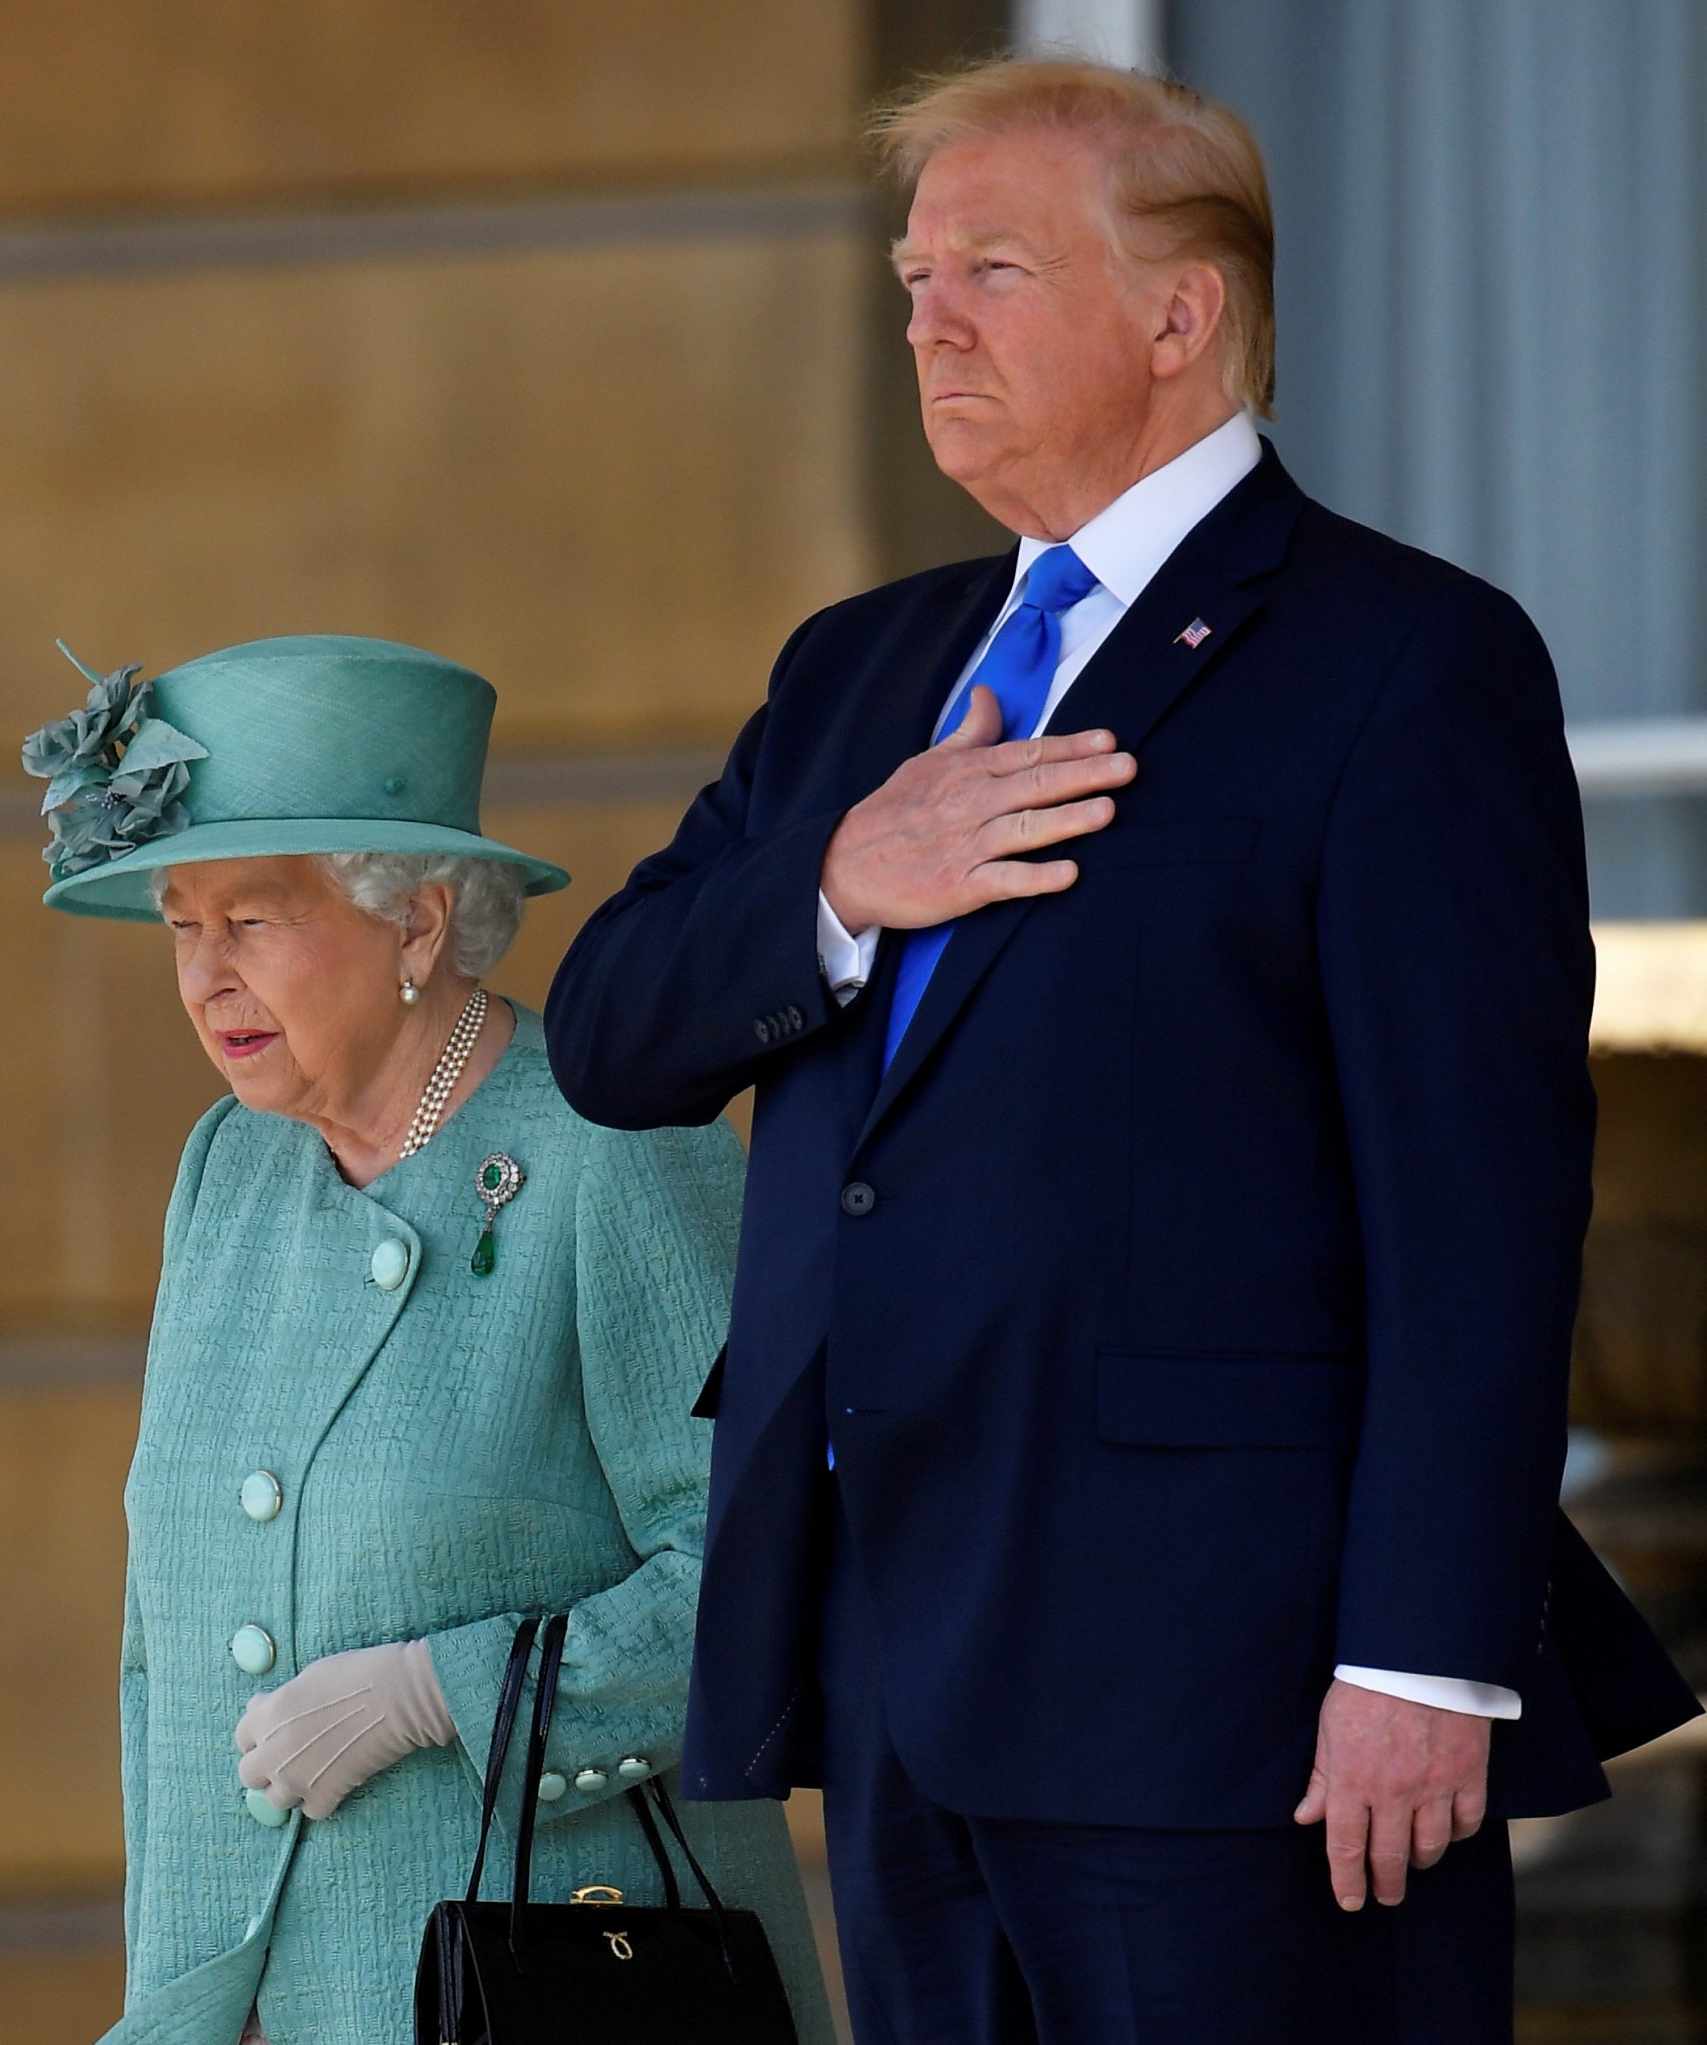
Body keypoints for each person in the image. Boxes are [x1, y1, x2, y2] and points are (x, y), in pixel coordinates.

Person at [544, 59, 1701, 2043]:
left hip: (1244, 1691)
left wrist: (1426, 1661)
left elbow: (1482, 1215)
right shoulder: (862, 674)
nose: (928, 319)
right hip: (901, 1661)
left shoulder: (1404, 660)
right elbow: (612, 1027)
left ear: (1185, 318)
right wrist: (844, 873)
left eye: (993, 266)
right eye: (913, 275)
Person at [28, 636, 834, 2045]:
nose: (204, 975)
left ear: (415, 925)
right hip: (279, 2002)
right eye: (179, 922)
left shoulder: (612, 1145)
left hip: (557, 1987)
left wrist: (437, 1692)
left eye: (254, 920)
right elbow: (160, 1644)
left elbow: (758, 1568)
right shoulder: (229, 1168)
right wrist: (175, 2004)